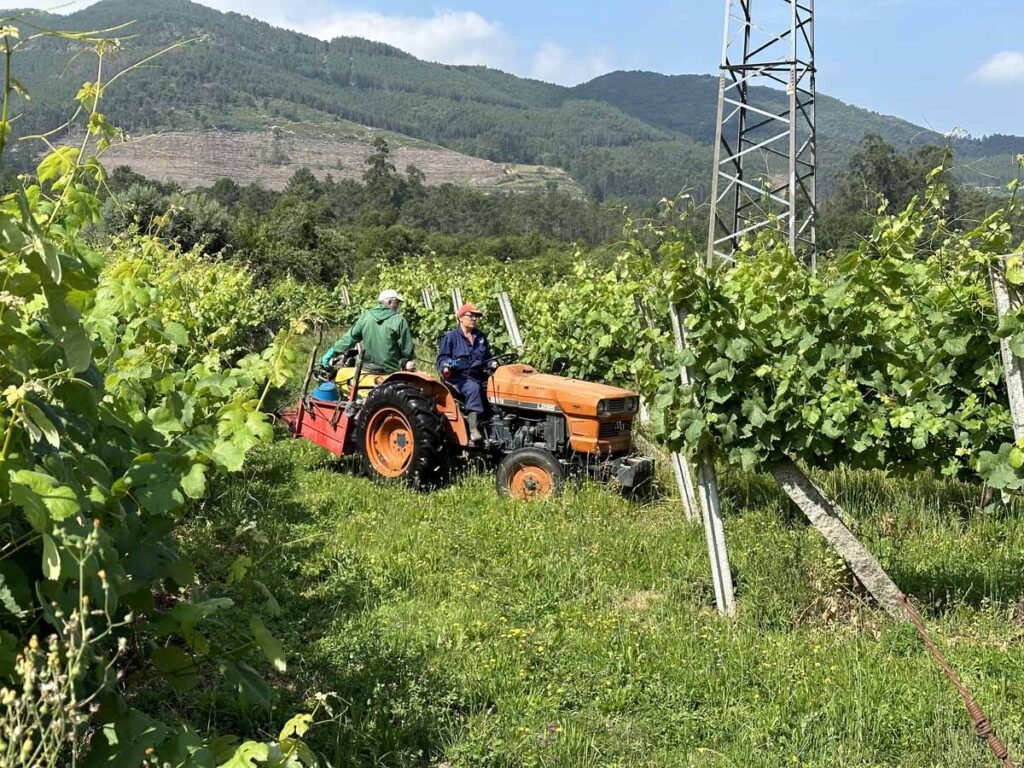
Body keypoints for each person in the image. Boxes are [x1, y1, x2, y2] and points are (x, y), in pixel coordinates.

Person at [320, 289, 415, 373]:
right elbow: (407, 349)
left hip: (367, 368)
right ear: (390, 302)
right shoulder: (398, 320)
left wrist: (332, 352)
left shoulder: (366, 316)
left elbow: (349, 338)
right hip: (391, 370)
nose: (398, 306)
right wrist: (408, 361)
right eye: (397, 302)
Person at [437, 303, 491, 442]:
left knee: (494, 385)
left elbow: (488, 357)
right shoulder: (451, 337)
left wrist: (492, 364)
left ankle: (491, 420)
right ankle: (473, 428)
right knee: (473, 388)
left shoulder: (480, 337)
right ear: (460, 318)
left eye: (476, 316)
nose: (474, 319)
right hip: (458, 377)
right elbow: (442, 359)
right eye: (470, 315)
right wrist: (446, 366)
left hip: (478, 374)